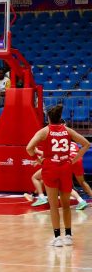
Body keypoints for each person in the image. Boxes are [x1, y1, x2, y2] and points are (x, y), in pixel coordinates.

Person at [26, 105, 90, 247]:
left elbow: (29, 148)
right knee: (66, 205)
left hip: (50, 169)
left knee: (54, 205)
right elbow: (86, 144)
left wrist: (39, 160)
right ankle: (68, 236)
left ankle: (57, 238)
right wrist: (73, 159)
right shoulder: (67, 130)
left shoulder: (44, 131)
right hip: (65, 168)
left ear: (48, 118)